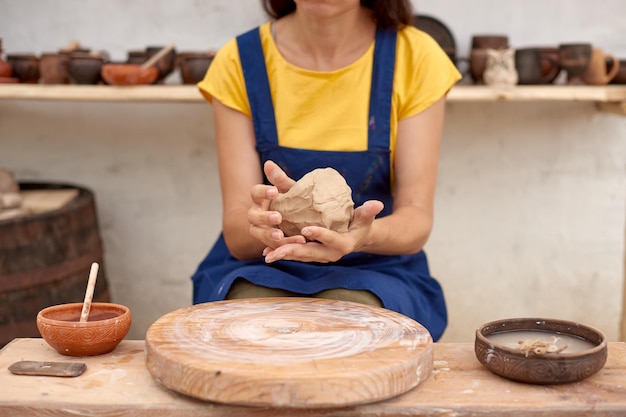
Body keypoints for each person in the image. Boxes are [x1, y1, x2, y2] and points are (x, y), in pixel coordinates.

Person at [192, 0, 461, 341]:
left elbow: (417, 219)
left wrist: (362, 236)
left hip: (376, 265)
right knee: (252, 328)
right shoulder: (240, 61)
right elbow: (236, 234)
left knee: (349, 326)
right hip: (265, 263)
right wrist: (264, 226)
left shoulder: (415, 57)